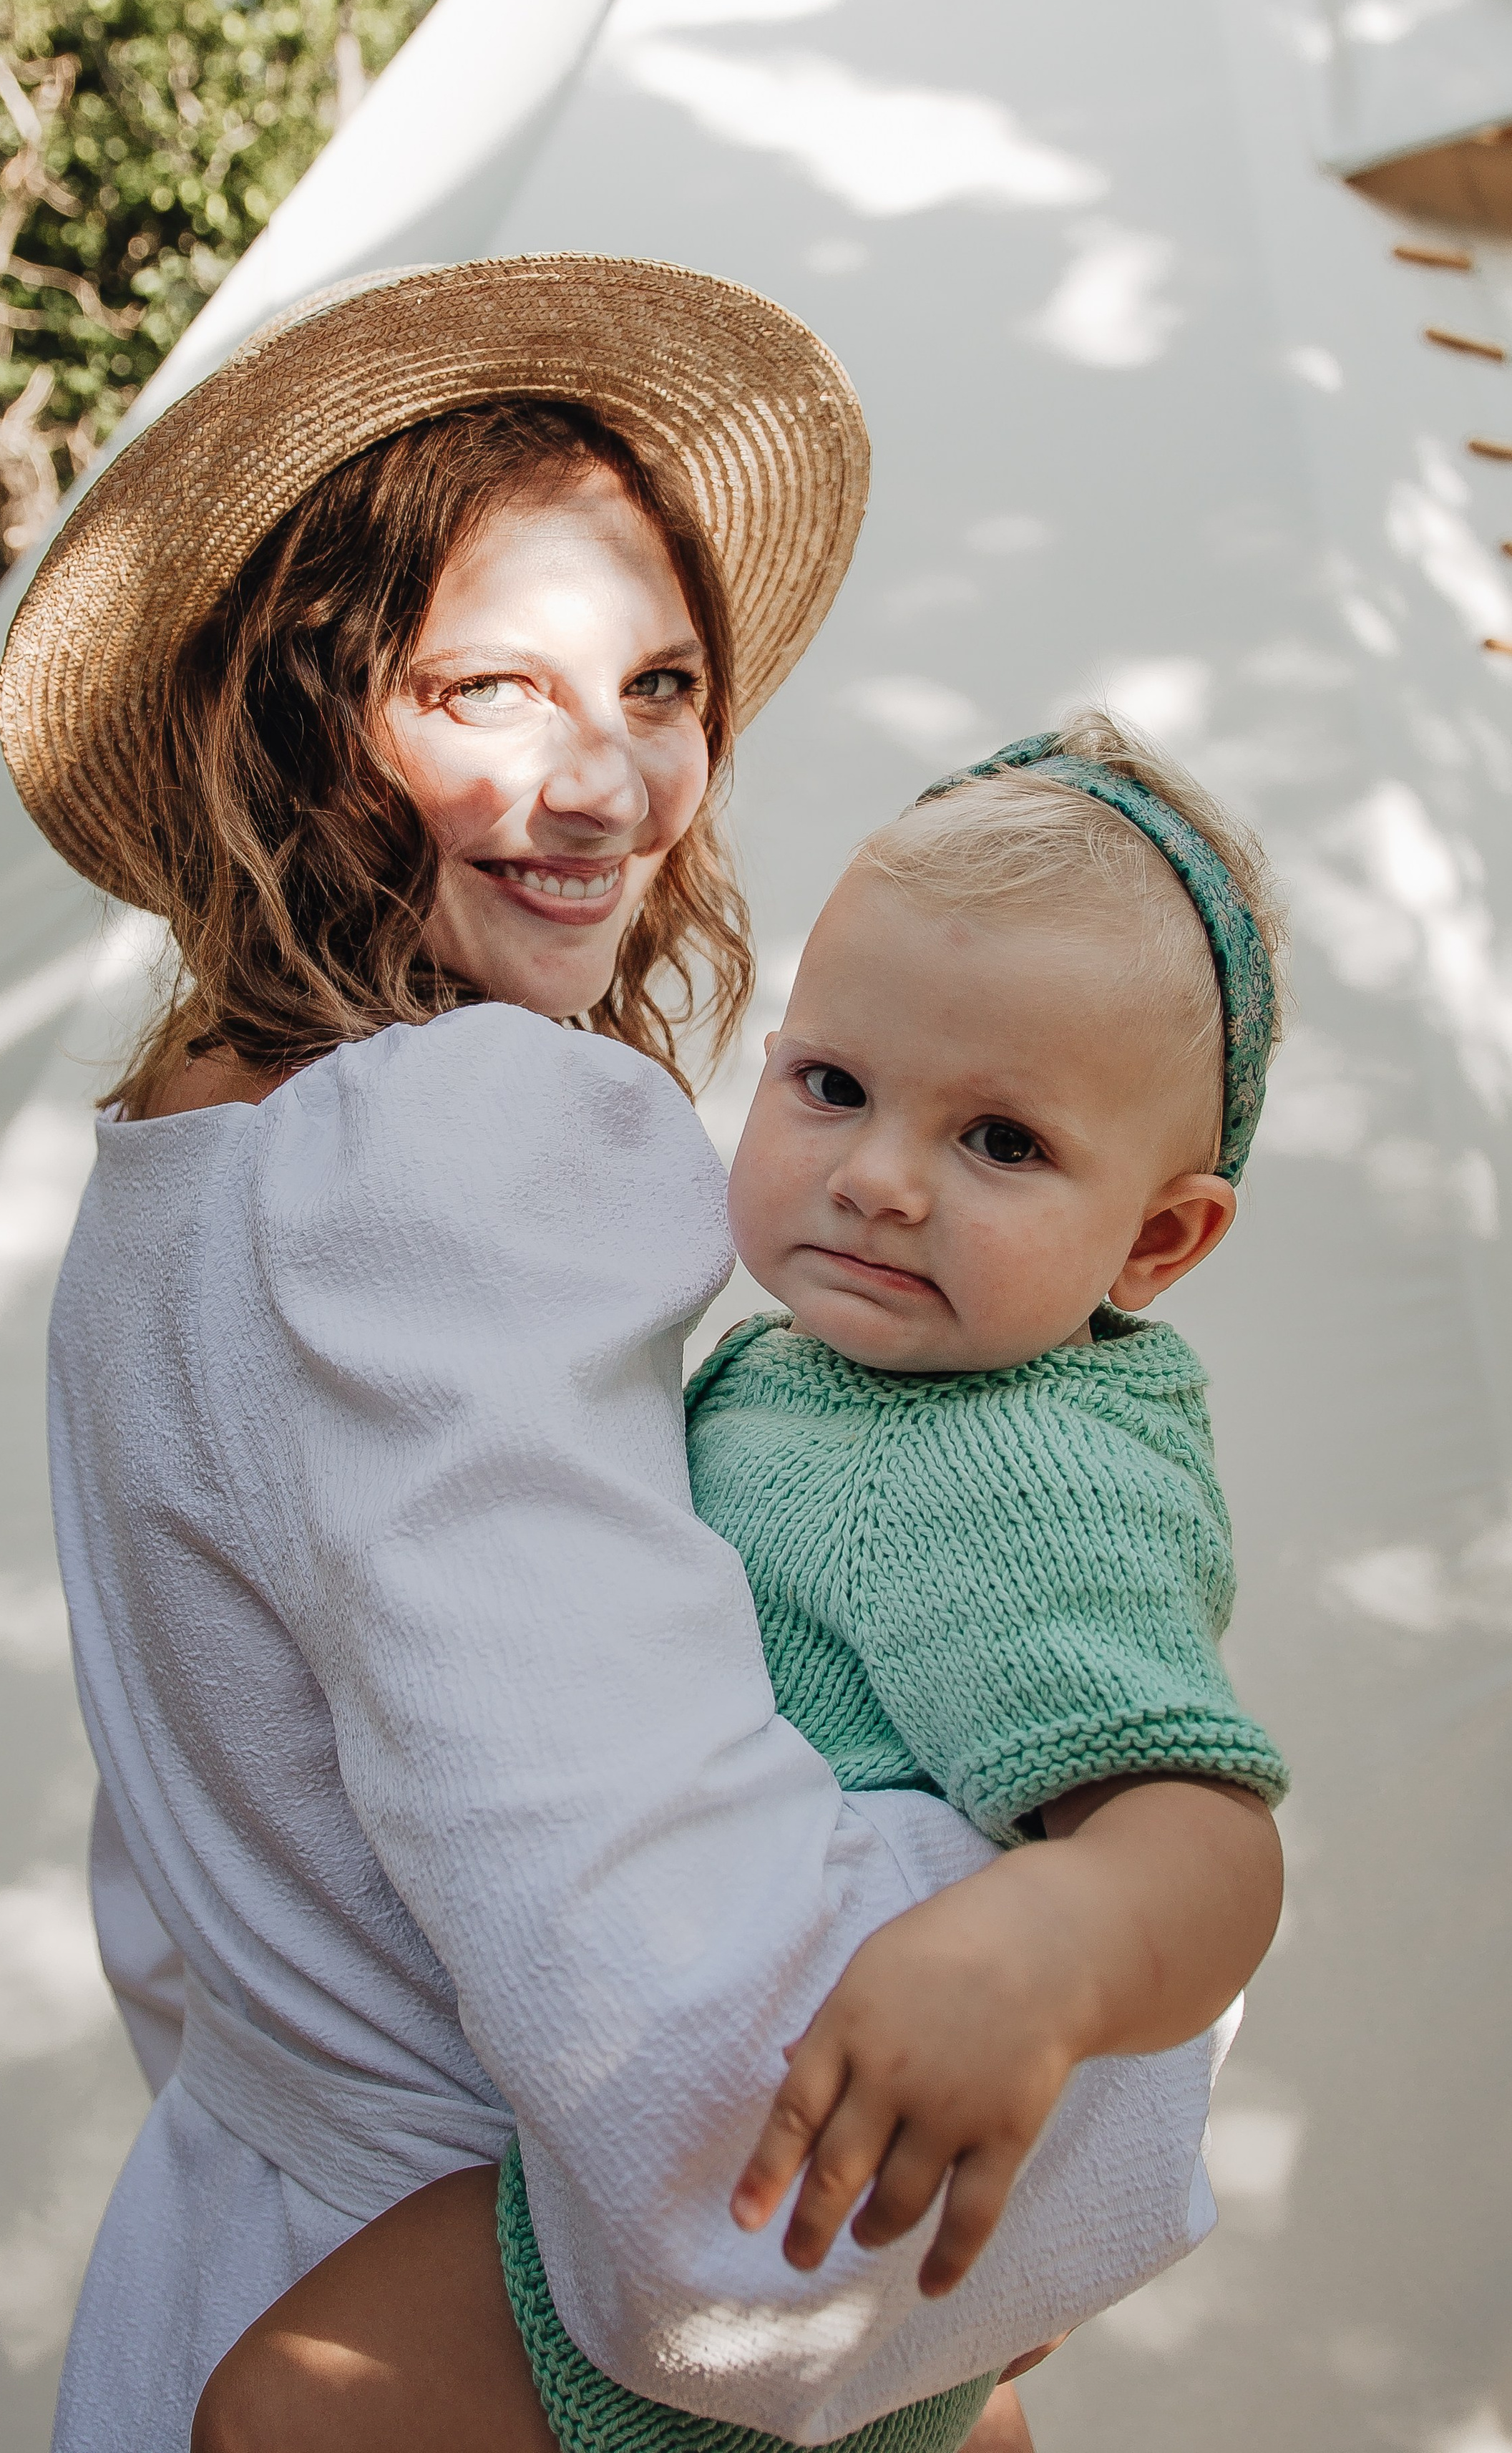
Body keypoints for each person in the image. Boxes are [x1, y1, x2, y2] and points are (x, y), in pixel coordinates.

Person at [0, 260, 1281, 2453]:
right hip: (492, 2313)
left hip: (234, 2223)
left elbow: (198, 1901)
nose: (605, 784)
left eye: (662, 684)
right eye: (487, 686)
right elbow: (692, 2054)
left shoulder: (172, 1160)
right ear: (313, 709)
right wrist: (1048, 2180)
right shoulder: (457, 1135)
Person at [189, 713, 1289, 2453]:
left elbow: (1202, 1831)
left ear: (1156, 1242)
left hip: (768, 2187)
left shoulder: (1017, 1466)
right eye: (831, 1087)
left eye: (999, 1142)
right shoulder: (833, 1371)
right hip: (747, 2161)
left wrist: (1044, 1956)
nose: (874, 1178)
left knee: (279, 2408)